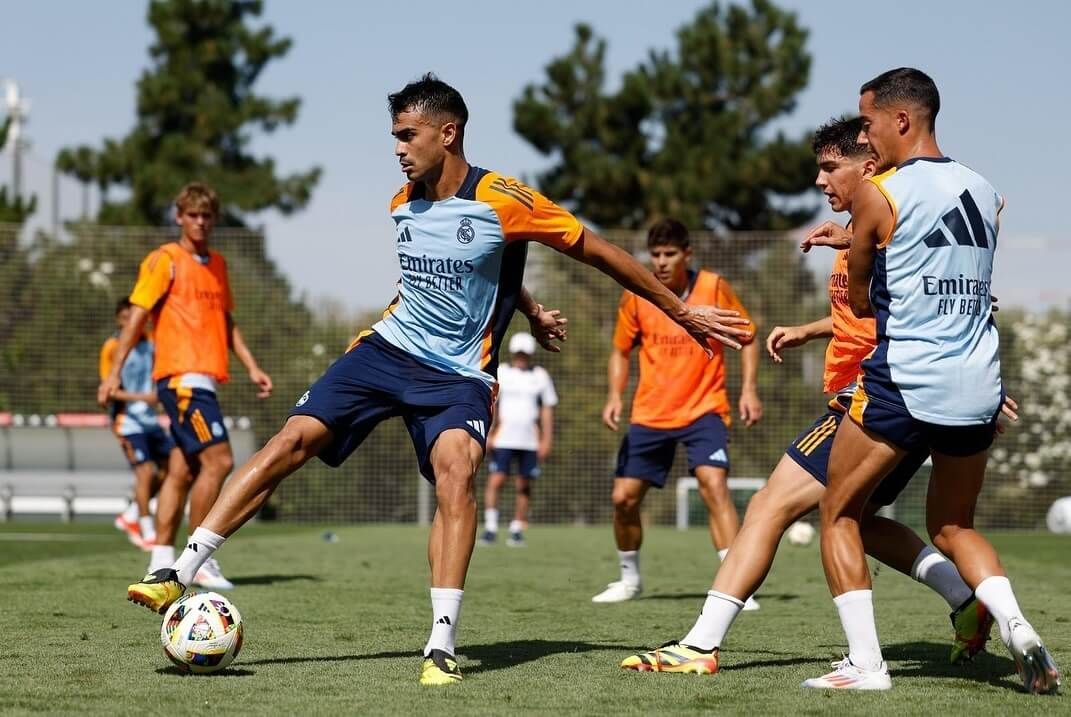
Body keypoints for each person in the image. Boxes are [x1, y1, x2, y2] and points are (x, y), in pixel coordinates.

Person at [124, 74, 751, 687]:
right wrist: (529, 307)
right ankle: (179, 572)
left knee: (457, 473)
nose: (398, 149)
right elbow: (459, 270)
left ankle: (441, 645)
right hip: (387, 349)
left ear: (447, 133)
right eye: (395, 137)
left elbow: (599, 252)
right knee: (291, 440)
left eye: (408, 135)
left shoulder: (504, 198)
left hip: (459, 374)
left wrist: (680, 310)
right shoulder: (403, 202)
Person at [619, 116, 997, 676]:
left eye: (830, 167)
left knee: (770, 505)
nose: (820, 181)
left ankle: (700, 645)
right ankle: (966, 600)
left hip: (873, 397)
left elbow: (935, 312)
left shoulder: (884, 221)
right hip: (893, 396)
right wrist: (810, 329)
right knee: (859, 521)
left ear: (869, 166)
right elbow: (882, 313)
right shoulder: (868, 227)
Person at [805, 68, 1060, 693]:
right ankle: (1018, 626)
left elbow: (859, 297)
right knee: (955, 525)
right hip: (979, 383)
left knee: (839, 511)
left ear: (900, 120)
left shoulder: (880, 192)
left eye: (868, 124)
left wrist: (857, 247)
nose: (864, 137)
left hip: (905, 380)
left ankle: (866, 666)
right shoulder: (986, 189)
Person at [99, 182, 273, 591]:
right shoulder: (165, 260)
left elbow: (226, 321)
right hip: (180, 380)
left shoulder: (218, 265)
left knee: (182, 468)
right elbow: (138, 317)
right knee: (219, 461)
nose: (199, 222)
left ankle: (161, 556)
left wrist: (251, 366)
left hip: (205, 380)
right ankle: (200, 560)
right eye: (192, 215)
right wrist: (113, 373)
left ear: (214, 219)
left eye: (206, 215)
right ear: (179, 217)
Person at [592, 218, 761, 606]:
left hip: (705, 408)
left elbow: (748, 337)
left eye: (670, 254)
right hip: (651, 412)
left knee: (713, 485)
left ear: (688, 254)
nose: (661, 262)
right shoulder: (637, 294)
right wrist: (614, 395)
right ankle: (629, 579)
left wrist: (749, 389)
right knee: (623, 499)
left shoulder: (713, 287)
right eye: (655, 254)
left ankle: (735, 586)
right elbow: (620, 350)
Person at [101, 297, 178, 551]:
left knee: (173, 467)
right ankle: (146, 529)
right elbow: (108, 390)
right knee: (145, 473)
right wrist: (144, 397)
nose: (130, 323)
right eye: (125, 318)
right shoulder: (112, 347)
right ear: (118, 320)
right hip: (127, 421)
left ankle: (132, 513)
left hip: (150, 419)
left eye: (135, 318)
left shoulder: (150, 342)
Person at [481, 331, 558, 547]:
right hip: (503, 439)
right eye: (519, 354)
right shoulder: (502, 373)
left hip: (529, 441)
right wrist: (489, 433)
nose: (521, 358)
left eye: (525, 354)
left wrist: (546, 439)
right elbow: (493, 405)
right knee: (497, 480)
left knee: (524, 484)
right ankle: (491, 528)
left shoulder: (540, 376)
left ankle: (517, 529)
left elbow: (547, 409)